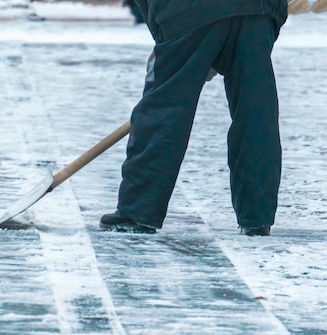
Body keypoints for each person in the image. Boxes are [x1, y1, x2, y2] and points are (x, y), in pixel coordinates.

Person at [100, 0, 288, 236]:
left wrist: (173, 36)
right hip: (256, 10)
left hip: (186, 11)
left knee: (164, 107)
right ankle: (257, 216)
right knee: (256, 110)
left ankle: (139, 211)